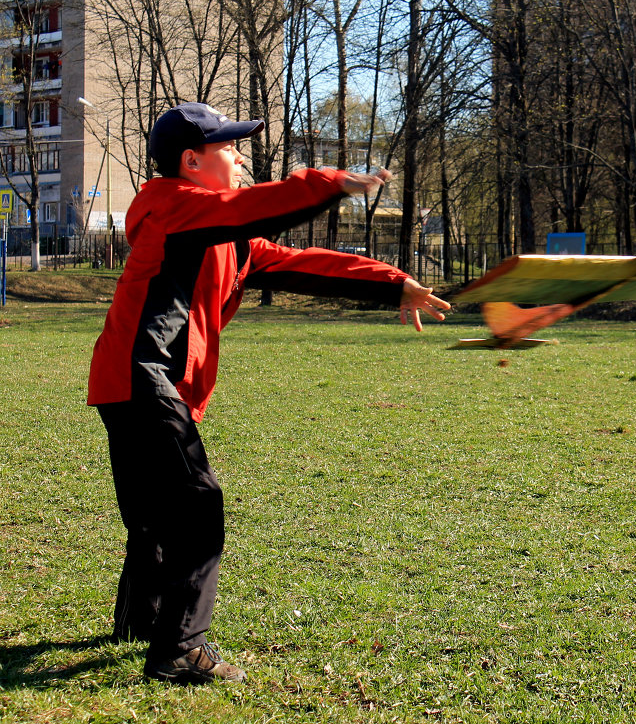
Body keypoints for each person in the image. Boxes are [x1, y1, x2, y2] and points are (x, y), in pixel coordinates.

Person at [87, 102, 450, 685]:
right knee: (197, 505)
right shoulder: (169, 204)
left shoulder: (225, 236)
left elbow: (304, 263)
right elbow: (250, 206)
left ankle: (141, 620)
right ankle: (179, 651)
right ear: (191, 162)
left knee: (156, 511)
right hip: (141, 375)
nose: (239, 158)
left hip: (129, 382)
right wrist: (330, 182)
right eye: (229, 148)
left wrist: (394, 283)